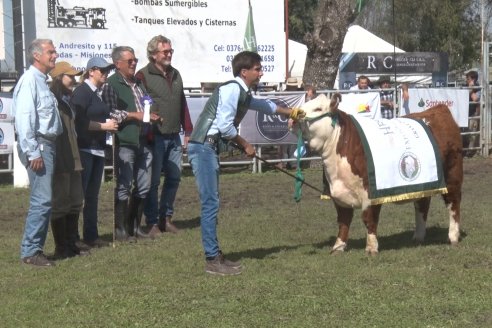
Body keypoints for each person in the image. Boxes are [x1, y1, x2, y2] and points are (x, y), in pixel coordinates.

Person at [187, 51, 304, 276]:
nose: (261, 72)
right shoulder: (232, 89)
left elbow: (265, 106)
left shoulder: (241, 91)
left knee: (212, 202)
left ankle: (216, 254)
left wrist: (292, 111)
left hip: (207, 148)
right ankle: (212, 259)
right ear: (244, 71)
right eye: (257, 69)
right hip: (203, 147)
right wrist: (245, 144)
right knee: (210, 203)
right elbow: (224, 127)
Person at [135, 35, 193, 237]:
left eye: (170, 51)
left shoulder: (176, 74)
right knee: (152, 181)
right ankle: (151, 222)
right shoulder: (142, 76)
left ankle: (165, 218)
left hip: (174, 134)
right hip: (154, 136)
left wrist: (188, 129)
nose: (169, 54)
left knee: (175, 177)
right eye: (165, 51)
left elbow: (182, 102)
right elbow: (141, 104)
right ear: (153, 54)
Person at [102, 46, 160, 242]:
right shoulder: (111, 84)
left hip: (144, 139)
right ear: (118, 64)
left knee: (144, 185)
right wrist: (136, 115)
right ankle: (120, 230)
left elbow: (146, 103)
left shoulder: (138, 83)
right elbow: (110, 112)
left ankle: (134, 226)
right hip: (126, 140)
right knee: (124, 185)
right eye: (130, 61)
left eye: (135, 60)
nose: (134, 63)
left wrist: (150, 114)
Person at [13, 39, 61, 266]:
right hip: (39, 145)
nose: (55, 55)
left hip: (47, 144)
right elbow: (24, 120)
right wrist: (33, 152)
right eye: (51, 52)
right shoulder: (30, 81)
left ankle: (34, 249)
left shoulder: (42, 81)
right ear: (37, 56)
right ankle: (31, 252)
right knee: (42, 200)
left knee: (45, 199)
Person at [71, 57, 119, 248]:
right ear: (91, 71)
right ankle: (73, 237)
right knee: (80, 195)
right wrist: (103, 126)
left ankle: (91, 235)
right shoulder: (82, 92)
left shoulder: (98, 93)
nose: (106, 73)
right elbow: (78, 122)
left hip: (97, 149)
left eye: (108, 70)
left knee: (92, 195)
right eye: (102, 70)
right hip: (85, 149)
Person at [48, 61, 88, 259]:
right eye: (69, 76)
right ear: (58, 78)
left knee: (75, 201)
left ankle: (71, 244)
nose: (73, 80)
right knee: (60, 203)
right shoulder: (51, 100)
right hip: (61, 158)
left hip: (74, 158)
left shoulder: (67, 99)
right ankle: (61, 247)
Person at [464, 70, 480, 156]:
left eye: (468, 78)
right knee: (466, 132)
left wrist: (471, 89)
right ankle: (466, 150)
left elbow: (475, 99)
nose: (467, 80)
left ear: (473, 79)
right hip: (465, 113)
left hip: (473, 113)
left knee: (472, 133)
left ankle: (470, 152)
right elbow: (463, 96)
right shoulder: (465, 87)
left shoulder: (478, 88)